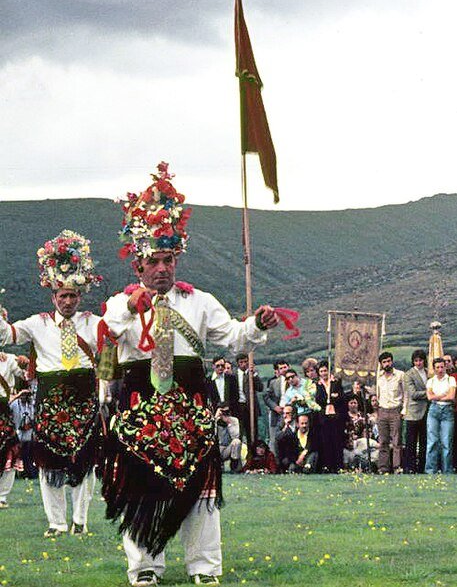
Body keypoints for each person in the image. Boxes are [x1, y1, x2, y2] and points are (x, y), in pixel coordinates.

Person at [99, 163, 282, 586]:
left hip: (191, 407)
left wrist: (257, 324)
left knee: (201, 491)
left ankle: (204, 568)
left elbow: (235, 338)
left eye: (168, 260)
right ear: (139, 266)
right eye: (154, 262)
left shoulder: (199, 301)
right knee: (141, 488)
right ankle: (144, 568)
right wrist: (133, 305)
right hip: (140, 406)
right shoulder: (119, 304)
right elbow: (109, 327)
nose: (162, 269)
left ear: (176, 259)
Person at [0, 230, 104, 537]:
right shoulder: (37, 323)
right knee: (49, 464)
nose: (68, 301)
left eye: (73, 296)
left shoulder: (94, 323)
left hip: (84, 398)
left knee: (85, 461)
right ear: (53, 297)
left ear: (79, 297)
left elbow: (117, 345)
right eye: (63, 296)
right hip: (50, 401)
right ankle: (56, 522)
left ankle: (81, 520)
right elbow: (6, 336)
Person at [0, 352, 27, 508]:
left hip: (3, 410)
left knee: (10, 451)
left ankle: (2, 497)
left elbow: (25, 375)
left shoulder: (8, 359)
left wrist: (24, 363)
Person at [424, 358, 456, 473]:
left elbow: (452, 396)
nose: (440, 369)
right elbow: (429, 397)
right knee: (432, 441)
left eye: (442, 367)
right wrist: (443, 395)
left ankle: (447, 471)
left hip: (447, 410)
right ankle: (430, 470)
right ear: (434, 368)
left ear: (445, 367)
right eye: (437, 367)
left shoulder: (451, 379)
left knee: (446, 442)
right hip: (434, 410)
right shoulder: (430, 381)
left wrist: (437, 396)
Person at [313, 360, 345, 473]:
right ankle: (327, 465)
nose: (323, 373)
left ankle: (339, 466)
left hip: (335, 416)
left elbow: (341, 398)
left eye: (325, 370)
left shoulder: (336, 382)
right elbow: (317, 400)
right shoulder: (317, 385)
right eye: (321, 371)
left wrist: (333, 397)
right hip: (323, 417)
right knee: (326, 442)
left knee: (337, 441)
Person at [375, 352, 404, 473]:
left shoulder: (400, 375)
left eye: (389, 361)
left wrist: (404, 410)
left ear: (392, 361)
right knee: (383, 441)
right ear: (381, 364)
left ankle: (397, 467)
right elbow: (377, 394)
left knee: (397, 441)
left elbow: (405, 393)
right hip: (382, 410)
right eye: (384, 362)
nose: (387, 364)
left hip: (395, 409)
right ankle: (383, 467)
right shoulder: (379, 377)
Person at [402, 350, 429, 474]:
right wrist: (429, 393)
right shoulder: (409, 374)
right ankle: (409, 467)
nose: (418, 363)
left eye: (420, 360)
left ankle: (422, 467)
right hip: (413, 413)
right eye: (416, 361)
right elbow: (413, 394)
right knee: (411, 443)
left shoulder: (429, 373)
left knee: (424, 442)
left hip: (427, 412)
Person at [214, 404, 242, 473]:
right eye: (223, 411)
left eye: (226, 411)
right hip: (217, 449)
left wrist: (229, 423)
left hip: (228, 449)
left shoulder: (234, 420)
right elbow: (211, 433)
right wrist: (215, 419)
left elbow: (235, 436)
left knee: (236, 441)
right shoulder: (215, 420)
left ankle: (234, 467)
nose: (225, 414)